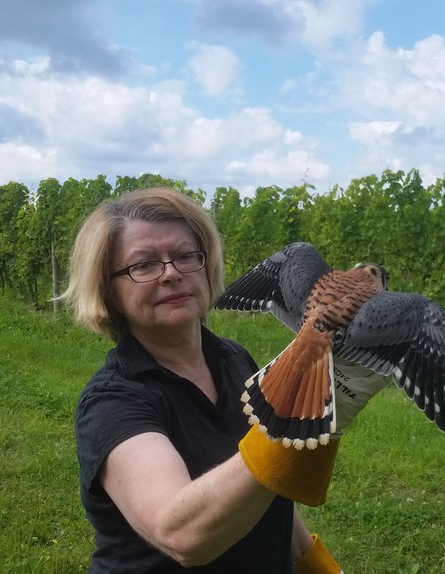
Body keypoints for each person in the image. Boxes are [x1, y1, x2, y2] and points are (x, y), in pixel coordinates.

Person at [59, 187, 352, 573]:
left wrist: (315, 565)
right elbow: (183, 535)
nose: (172, 274)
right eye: (143, 265)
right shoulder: (113, 401)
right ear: (109, 290)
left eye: (185, 256)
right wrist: (290, 423)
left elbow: (271, 497)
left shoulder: (234, 360)